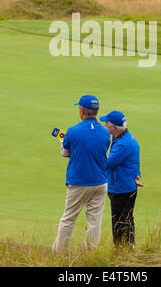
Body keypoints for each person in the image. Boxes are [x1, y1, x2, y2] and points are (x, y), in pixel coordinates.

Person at [52, 95, 111, 252]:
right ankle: (90, 256)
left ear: (82, 110)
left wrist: (68, 144)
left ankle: (59, 254)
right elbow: (98, 150)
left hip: (79, 182)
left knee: (68, 219)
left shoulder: (73, 131)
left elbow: (65, 153)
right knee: (94, 221)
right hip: (101, 182)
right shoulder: (105, 133)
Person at [99, 110, 143, 247]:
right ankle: (129, 249)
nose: (104, 125)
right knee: (126, 220)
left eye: (106, 123)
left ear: (112, 127)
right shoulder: (121, 138)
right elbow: (133, 160)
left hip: (121, 189)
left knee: (120, 223)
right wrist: (137, 174)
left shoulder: (122, 144)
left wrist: (87, 154)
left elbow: (106, 163)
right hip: (126, 186)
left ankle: (121, 251)